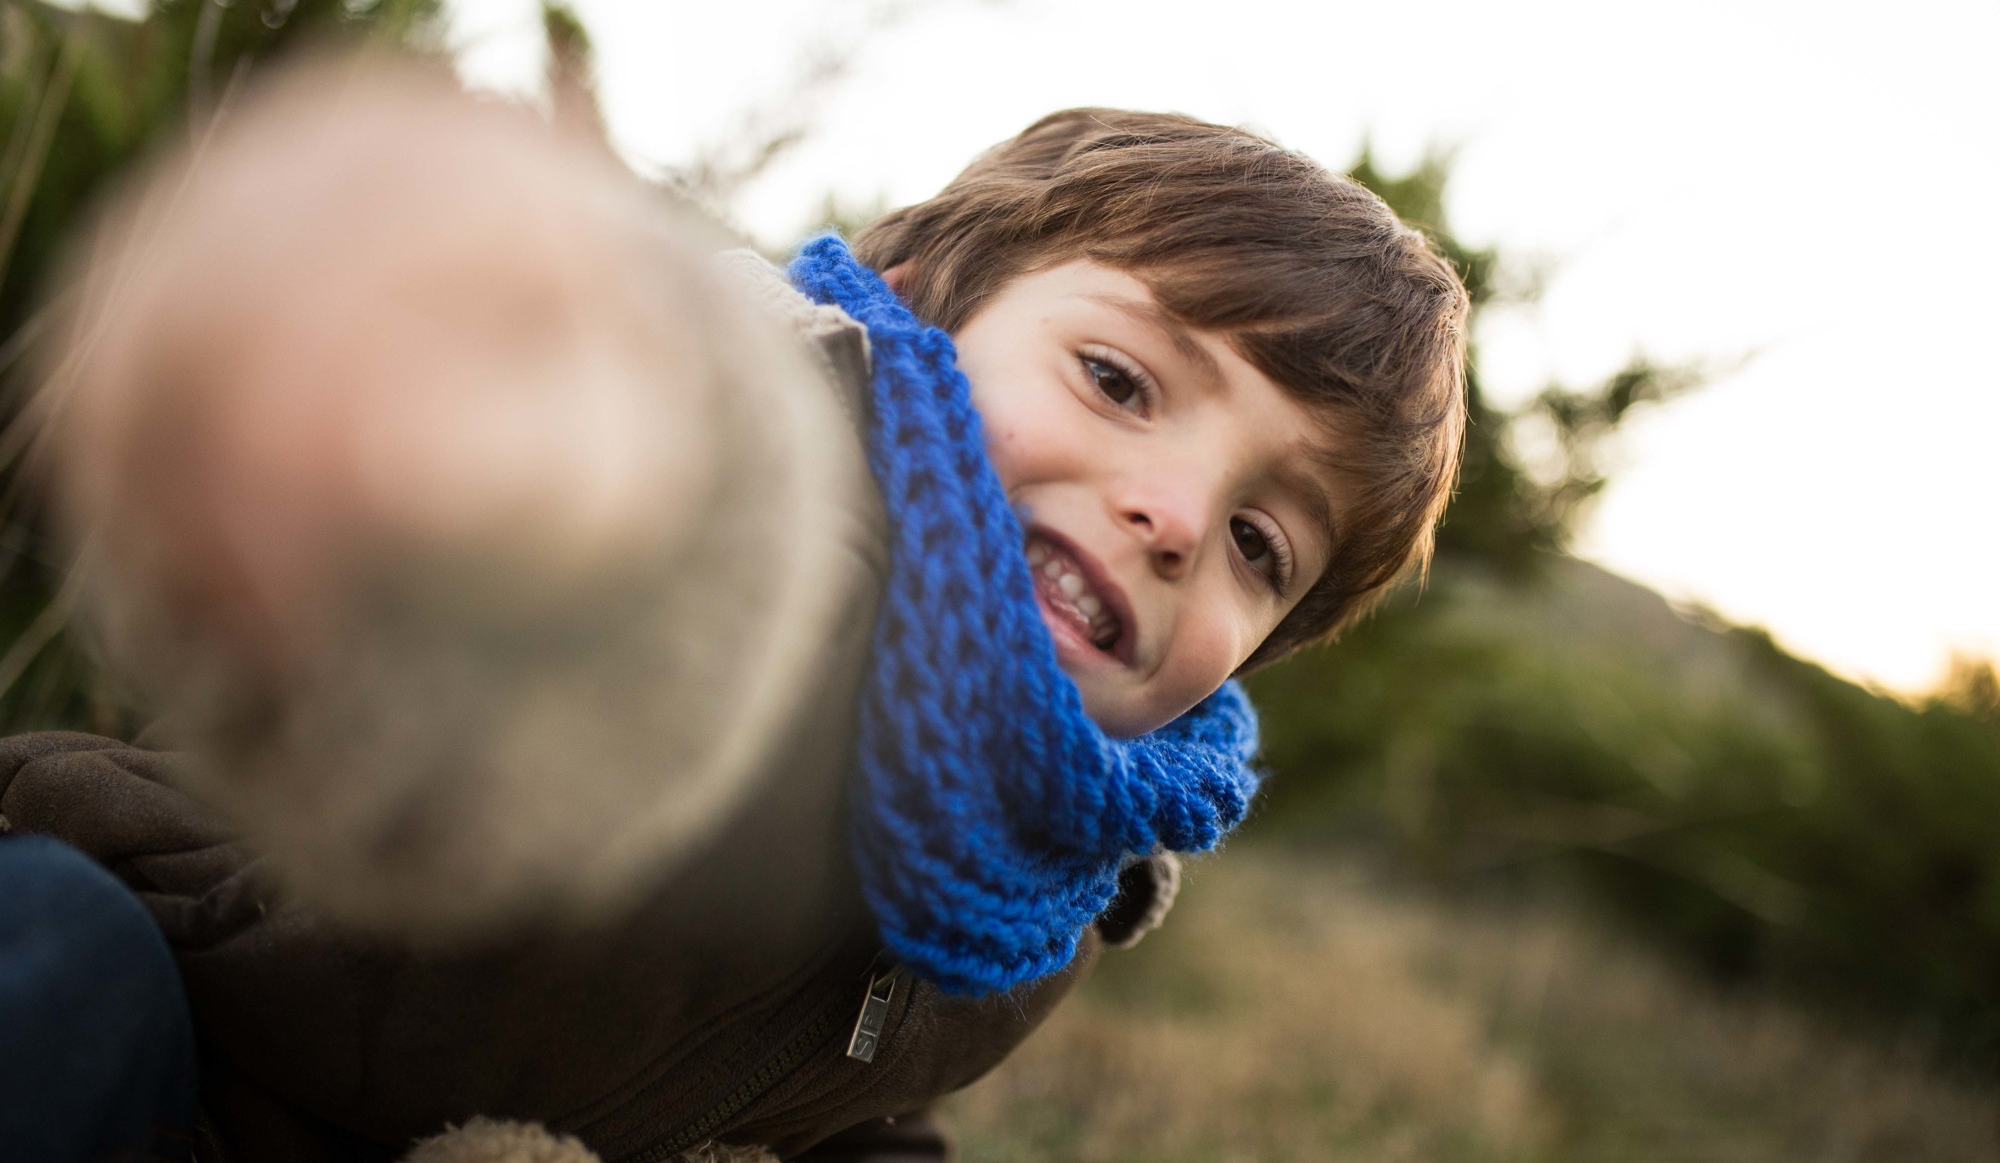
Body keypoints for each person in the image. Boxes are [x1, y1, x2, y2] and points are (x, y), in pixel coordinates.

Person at [0, 60, 1467, 1161]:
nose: (1175, 516)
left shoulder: (1056, 868)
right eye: (1122, 381)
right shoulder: (765, 508)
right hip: (189, 991)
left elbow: (852, 1091)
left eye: (1263, 543)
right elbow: (594, 512)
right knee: (70, 969)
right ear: (917, 308)